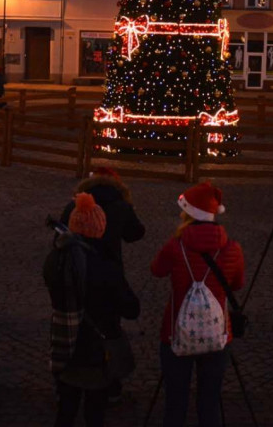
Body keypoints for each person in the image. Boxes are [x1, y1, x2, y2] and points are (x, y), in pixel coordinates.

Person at [150, 183, 244, 427]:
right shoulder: (233, 249)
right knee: (210, 402)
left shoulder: (176, 246)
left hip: (176, 332)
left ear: (188, 214)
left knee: (175, 403)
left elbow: (156, 270)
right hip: (218, 334)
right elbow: (237, 285)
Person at [45, 193, 140, 427]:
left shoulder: (56, 260)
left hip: (65, 343)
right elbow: (131, 308)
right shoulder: (105, 267)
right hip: (95, 350)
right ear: (100, 228)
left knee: (65, 409)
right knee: (95, 412)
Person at [61, 167, 145, 268]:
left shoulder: (74, 205)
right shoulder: (121, 207)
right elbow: (134, 234)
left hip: (77, 267)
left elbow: (60, 236)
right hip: (109, 266)